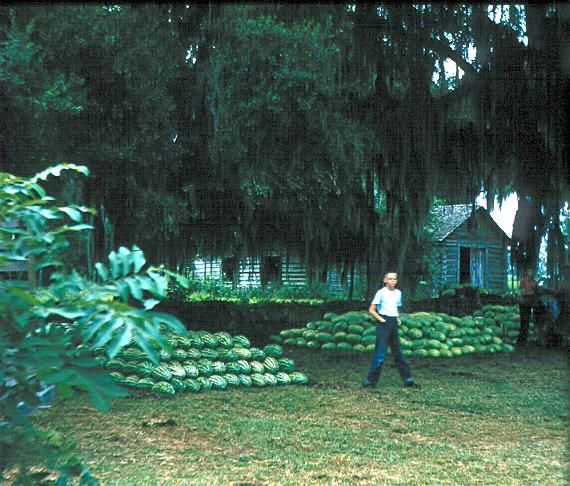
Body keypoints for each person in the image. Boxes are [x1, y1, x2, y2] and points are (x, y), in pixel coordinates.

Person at [363, 272, 420, 389]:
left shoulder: (398, 293)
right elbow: (372, 310)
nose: (392, 281)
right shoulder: (381, 293)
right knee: (380, 355)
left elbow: (396, 307)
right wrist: (382, 320)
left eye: (394, 279)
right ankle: (369, 382)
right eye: (390, 279)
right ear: (385, 280)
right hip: (383, 323)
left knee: (398, 353)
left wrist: (395, 318)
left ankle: (408, 380)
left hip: (393, 323)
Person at [517, 269, 537, 344]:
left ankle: (524, 339)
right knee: (523, 320)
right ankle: (521, 339)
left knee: (527, 321)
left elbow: (535, 291)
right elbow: (522, 291)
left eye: (531, 272)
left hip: (529, 303)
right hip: (523, 302)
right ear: (526, 273)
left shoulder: (534, 282)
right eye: (529, 272)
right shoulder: (523, 281)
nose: (530, 273)